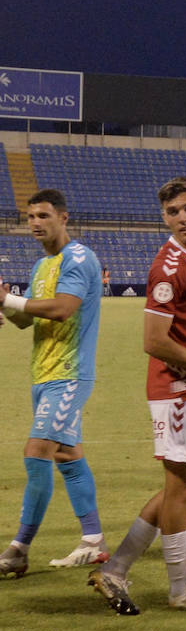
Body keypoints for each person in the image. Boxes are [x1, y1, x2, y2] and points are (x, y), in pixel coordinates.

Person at [89, 177, 186, 616]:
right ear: (165, 218)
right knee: (180, 487)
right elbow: (154, 341)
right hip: (177, 392)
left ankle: (116, 567)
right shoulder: (168, 267)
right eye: (172, 212)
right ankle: (179, 588)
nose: (181, 218)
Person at [0, 190, 107, 577]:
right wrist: (5, 305)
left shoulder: (78, 258)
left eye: (43, 215)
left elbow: (62, 309)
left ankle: (18, 549)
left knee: (36, 452)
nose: (34, 222)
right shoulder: (42, 265)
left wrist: (11, 302)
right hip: (44, 375)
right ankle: (94, 541)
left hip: (69, 374)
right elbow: (26, 319)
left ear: (63, 217)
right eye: (29, 216)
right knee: (66, 454)